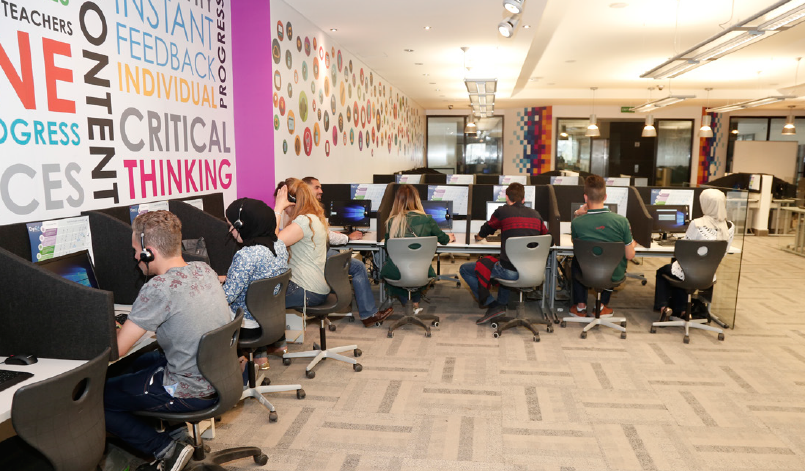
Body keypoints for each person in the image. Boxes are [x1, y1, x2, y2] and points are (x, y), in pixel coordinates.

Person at [105, 211, 230, 471]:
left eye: (135, 250)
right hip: (219, 376)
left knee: (99, 398)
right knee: (143, 362)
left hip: (189, 390)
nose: (134, 256)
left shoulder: (158, 289)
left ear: (148, 252)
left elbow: (116, 349)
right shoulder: (204, 270)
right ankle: (176, 436)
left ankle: (166, 449)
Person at [302, 176, 394, 326]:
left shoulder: (306, 208)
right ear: (306, 189)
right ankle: (368, 314)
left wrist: (332, 234)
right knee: (358, 267)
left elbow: (320, 233)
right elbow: (321, 234)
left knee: (347, 260)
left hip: (313, 253)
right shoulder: (308, 211)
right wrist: (347, 237)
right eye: (317, 187)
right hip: (315, 256)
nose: (321, 191)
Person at [459, 182, 549, 325]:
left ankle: (494, 305)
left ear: (507, 198)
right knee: (503, 262)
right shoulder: (536, 215)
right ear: (524, 199)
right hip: (533, 272)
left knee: (465, 269)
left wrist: (478, 237)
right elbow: (549, 239)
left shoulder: (503, 211)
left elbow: (487, 229)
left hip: (510, 272)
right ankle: (501, 304)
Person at [220, 198, 289, 369]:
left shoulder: (246, 255)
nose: (231, 230)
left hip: (248, 324)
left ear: (242, 225)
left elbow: (226, 297)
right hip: (272, 319)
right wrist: (229, 278)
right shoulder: (279, 246)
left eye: (232, 226)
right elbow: (258, 278)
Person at [654, 188, 735, 319]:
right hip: (708, 273)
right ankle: (683, 311)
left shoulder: (697, 224)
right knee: (680, 269)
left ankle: (665, 308)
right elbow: (722, 252)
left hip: (689, 270)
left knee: (664, 271)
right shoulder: (730, 226)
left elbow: (685, 251)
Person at [570, 175, 636, 317]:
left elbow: (576, 246)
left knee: (576, 260)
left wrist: (577, 214)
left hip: (585, 273)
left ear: (585, 198)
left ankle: (580, 306)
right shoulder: (621, 221)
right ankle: (601, 306)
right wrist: (632, 242)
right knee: (613, 260)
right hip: (612, 274)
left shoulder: (577, 222)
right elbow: (630, 255)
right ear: (605, 197)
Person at [380, 185, 455, 309]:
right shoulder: (427, 219)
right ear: (417, 199)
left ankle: (408, 303)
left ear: (397, 201)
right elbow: (443, 239)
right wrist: (449, 238)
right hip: (422, 272)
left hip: (397, 272)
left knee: (390, 267)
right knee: (416, 267)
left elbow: (388, 247)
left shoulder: (391, 222)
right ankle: (415, 302)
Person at [274, 178, 330, 316]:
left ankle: (271, 336)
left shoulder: (304, 221)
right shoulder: (313, 218)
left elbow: (273, 244)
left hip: (306, 289)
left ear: (291, 200)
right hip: (315, 287)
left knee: (258, 300)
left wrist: (278, 208)